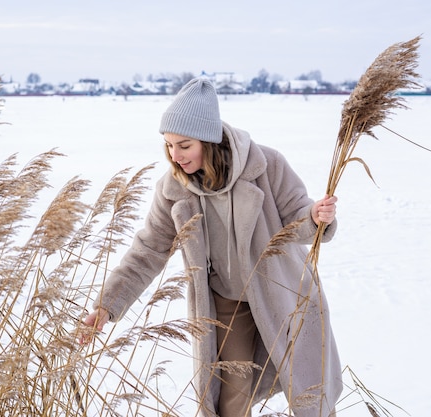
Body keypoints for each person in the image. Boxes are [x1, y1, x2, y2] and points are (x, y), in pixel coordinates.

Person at [83, 77, 342, 417]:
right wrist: (108, 305)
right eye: (169, 145)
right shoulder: (173, 189)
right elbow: (148, 250)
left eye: (184, 145)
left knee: (309, 396)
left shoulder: (266, 165)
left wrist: (315, 215)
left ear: (208, 139)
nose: (175, 156)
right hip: (226, 304)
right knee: (229, 402)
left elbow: (299, 214)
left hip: (283, 294)